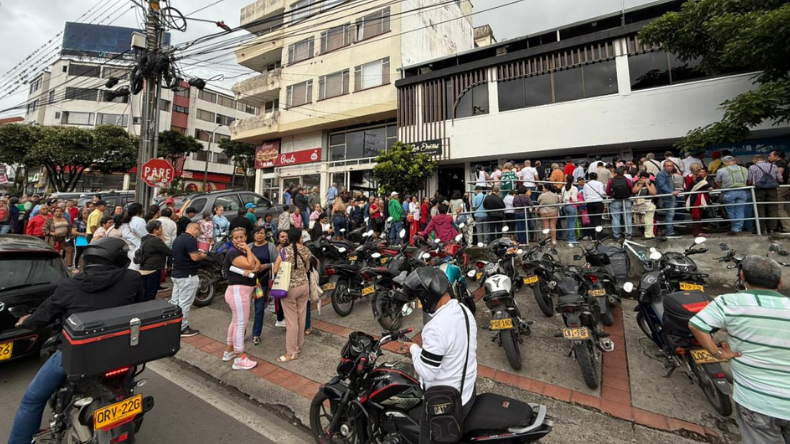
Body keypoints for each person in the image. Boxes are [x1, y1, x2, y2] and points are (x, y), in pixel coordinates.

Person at [8, 238, 144, 444]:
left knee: (32, 400)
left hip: (77, 355)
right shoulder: (132, 279)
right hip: (119, 350)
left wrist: (26, 322)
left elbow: (43, 316)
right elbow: (138, 305)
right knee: (127, 381)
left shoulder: (69, 285)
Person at [688, 255, 790, 444]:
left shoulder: (728, 302)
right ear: (780, 281)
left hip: (757, 401)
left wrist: (718, 354)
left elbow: (697, 325)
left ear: (742, 276)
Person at [400, 267, 477, 444]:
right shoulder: (464, 311)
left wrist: (413, 349)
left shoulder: (435, 328)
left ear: (427, 297)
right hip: (467, 389)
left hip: (447, 401)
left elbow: (426, 372)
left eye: (420, 298)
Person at [218, 227, 260, 370]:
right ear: (232, 239)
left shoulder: (242, 251)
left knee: (236, 322)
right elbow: (249, 264)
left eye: (241, 237)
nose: (239, 240)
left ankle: (229, 351)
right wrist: (249, 252)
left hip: (242, 291)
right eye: (236, 238)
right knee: (240, 324)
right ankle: (239, 357)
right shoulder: (233, 253)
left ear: (246, 237)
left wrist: (250, 264)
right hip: (238, 291)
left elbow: (257, 265)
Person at [272, 228, 315, 362]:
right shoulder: (306, 250)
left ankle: (292, 352)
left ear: (289, 238)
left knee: (291, 320)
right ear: (300, 237)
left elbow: (275, 269)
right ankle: (298, 345)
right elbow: (308, 268)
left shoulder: (284, 251)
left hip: (289, 288)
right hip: (304, 286)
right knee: (301, 317)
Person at [171, 223, 207, 337]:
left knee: (175, 301)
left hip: (177, 274)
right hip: (188, 276)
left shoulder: (178, 239)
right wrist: (203, 255)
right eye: (198, 231)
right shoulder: (190, 240)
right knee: (185, 303)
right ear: (193, 229)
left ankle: (172, 324)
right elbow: (195, 257)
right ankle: (183, 328)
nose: (198, 233)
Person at [249, 225, 277, 345]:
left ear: (265, 234)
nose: (259, 235)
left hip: (264, 283)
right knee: (244, 309)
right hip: (251, 282)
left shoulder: (271, 247)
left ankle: (256, 334)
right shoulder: (249, 247)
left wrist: (266, 266)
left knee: (259, 308)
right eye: (257, 233)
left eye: (261, 233)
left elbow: (277, 262)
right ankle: (241, 332)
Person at [715, 156, 750, 236]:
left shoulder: (721, 170)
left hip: (728, 192)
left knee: (731, 211)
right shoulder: (744, 169)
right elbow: (748, 180)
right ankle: (738, 228)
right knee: (740, 210)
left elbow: (718, 183)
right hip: (742, 192)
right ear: (734, 161)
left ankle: (735, 228)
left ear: (724, 162)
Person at [747, 154, 781, 234]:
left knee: (760, 209)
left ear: (754, 160)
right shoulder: (774, 166)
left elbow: (749, 181)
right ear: (763, 159)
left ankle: (763, 229)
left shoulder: (753, 167)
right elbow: (780, 179)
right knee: (773, 209)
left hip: (759, 190)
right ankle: (772, 229)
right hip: (772, 189)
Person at [139, 220, 172, 301]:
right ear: (155, 230)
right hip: (153, 268)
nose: (162, 230)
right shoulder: (155, 240)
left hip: (145, 267)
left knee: (145, 290)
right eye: (160, 228)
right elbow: (168, 251)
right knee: (151, 292)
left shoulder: (145, 239)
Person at [684, 164, 714, 237]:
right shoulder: (698, 178)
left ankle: (698, 231)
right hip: (696, 198)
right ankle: (697, 232)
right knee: (697, 215)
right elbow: (709, 187)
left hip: (692, 198)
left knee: (697, 215)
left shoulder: (687, 177)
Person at [607, 167, 634, 240]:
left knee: (616, 218)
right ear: (623, 173)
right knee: (628, 218)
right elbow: (631, 189)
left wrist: (611, 195)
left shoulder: (611, 180)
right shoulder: (627, 180)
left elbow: (608, 191)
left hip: (615, 200)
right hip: (626, 200)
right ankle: (629, 235)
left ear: (615, 173)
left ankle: (617, 235)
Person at [655, 161, 679, 237]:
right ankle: (670, 231)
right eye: (667, 166)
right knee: (670, 214)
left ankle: (669, 230)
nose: (669, 167)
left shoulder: (668, 174)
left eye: (671, 166)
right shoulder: (661, 174)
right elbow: (662, 186)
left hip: (670, 196)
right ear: (664, 167)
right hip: (666, 197)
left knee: (670, 214)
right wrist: (671, 192)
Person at [121, 203, 147, 271]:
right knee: (135, 269)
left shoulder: (125, 221)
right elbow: (145, 235)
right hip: (137, 247)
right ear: (139, 210)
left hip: (128, 247)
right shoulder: (139, 220)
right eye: (142, 208)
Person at [769, 150, 790, 234]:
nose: (769, 157)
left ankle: (787, 227)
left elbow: (778, 176)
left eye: (771, 155)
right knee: (786, 208)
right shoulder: (782, 163)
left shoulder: (780, 163)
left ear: (776, 156)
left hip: (780, 188)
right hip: (784, 188)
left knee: (778, 208)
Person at [631, 171, 657, 239]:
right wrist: (641, 185)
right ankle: (645, 233)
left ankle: (648, 235)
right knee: (641, 220)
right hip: (639, 204)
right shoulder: (637, 183)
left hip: (649, 204)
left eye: (645, 178)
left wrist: (647, 185)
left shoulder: (651, 184)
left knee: (648, 220)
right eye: (642, 178)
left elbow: (653, 193)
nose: (643, 179)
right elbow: (634, 191)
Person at [582, 172, 606, 240]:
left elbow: (584, 195)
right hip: (598, 202)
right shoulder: (599, 183)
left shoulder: (586, 185)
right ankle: (598, 235)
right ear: (596, 177)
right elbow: (602, 193)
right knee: (598, 220)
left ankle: (593, 236)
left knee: (591, 220)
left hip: (589, 203)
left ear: (589, 177)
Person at [559, 176, 578, 245]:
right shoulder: (574, 188)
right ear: (573, 180)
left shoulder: (564, 187)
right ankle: (572, 239)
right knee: (572, 222)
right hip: (571, 205)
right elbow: (574, 198)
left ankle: (569, 238)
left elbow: (561, 197)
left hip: (565, 205)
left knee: (568, 222)